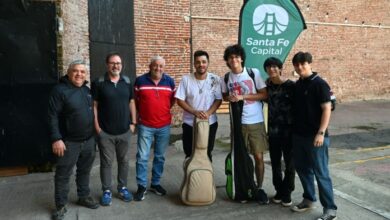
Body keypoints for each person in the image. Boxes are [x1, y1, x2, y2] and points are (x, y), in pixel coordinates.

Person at [48, 60, 99, 220]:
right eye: (76, 71)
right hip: (68, 142)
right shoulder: (59, 90)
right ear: (69, 73)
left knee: (84, 171)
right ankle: (61, 205)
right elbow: (52, 116)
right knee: (63, 175)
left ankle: (83, 196)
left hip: (89, 140)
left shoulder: (86, 90)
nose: (79, 74)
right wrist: (56, 138)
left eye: (82, 72)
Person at [290, 52, 337, 220]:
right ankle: (309, 199)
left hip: (316, 137)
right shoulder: (298, 85)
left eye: (303, 64)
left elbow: (326, 109)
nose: (300, 67)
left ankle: (330, 210)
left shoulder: (320, 84)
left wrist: (321, 133)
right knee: (302, 169)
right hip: (299, 136)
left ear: (310, 64)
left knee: (321, 172)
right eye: (297, 64)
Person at [91, 52, 137, 206]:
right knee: (106, 163)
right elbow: (95, 105)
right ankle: (106, 190)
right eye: (112, 63)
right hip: (105, 132)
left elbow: (131, 102)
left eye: (118, 63)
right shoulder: (99, 82)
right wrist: (97, 127)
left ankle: (122, 187)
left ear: (121, 65)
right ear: (107, 65)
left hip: (125, 131)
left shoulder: (127, 81)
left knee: (124, 161)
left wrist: (133, 123)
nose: (116, 65)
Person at [221, 44, 268, 191]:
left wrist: (242, 96)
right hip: (237, 123)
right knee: (241, 157)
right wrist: (230, 97)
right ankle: (245, 185)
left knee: (258, 157)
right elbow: (224, 96)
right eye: (230, 57)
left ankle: (259, 187)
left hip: (255, 122)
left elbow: (264, 94)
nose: (233, 59)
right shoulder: (227, 77)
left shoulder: (253, 73)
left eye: (236, 56)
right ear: (227, 61)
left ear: (241, 59)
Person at [133, 56, 176, 201]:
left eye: (161, 66)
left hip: (164, 125)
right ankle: (141, 186)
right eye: (155, 65)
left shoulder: (169, 81)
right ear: (150, 66)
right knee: (142, 157)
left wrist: (161, 111)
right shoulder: (140, 81)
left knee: (160, 156)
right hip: (145, 125)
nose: (158, 68)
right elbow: (135, 101)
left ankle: (155, 183)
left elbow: (171, 101)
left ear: (164, 67)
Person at [175, 50, 222, 161]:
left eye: (204, 62)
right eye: (198, 62)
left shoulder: (215, 79)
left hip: (209, 123)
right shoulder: (186, 79)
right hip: (189, 123)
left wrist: (208, 113)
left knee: (207, 153)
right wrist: (195, 112)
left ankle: (206, 178)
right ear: (194, 64)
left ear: (208, 63)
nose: (201, 64)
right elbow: (179, 100)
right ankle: (190, 177)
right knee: (189, 153)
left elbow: (218, 99)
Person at [264, 57, 295, 207]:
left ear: (280, 68)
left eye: (275, 67)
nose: (272, 69)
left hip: (289, 132)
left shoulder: (291, 86)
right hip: (273, 132)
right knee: (275, 163)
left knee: (290, 164)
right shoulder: (267, 85)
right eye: (269, 67)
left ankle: (287, 191)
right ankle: (279, 190)